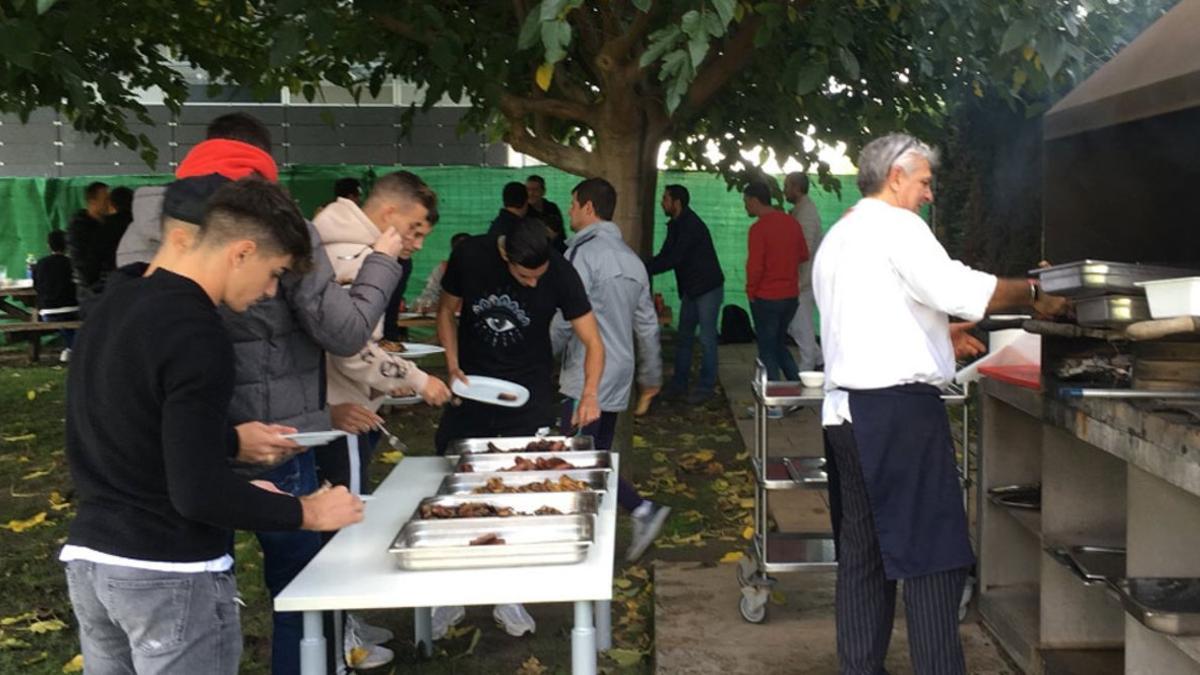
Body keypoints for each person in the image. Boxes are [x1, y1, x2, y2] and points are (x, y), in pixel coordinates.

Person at [115, 112, 407, 674]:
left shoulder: (149, 226)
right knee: (300, 587)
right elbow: (344, 333)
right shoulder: (282, 222)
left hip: (182, 441)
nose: (266, 289)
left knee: (193, 585)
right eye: (271, 275)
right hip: (278, 434)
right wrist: (382, 266)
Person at [60, 177, 365, 675]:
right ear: (243, 252)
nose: (270, 292)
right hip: (168, 573)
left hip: (94, 562)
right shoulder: (198, 330)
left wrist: (230, 440)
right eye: (275, 274)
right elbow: (198, 495)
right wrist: (303, 511)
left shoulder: (117, 298)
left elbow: (128, 422)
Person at [813, 133, 1069, 675]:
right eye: (925, 181)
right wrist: (1032, 289)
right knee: (934, 561)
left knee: (865, 558)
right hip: (896, 415)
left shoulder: (841, 236)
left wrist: (934, 337)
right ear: (897, 175)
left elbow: (867, 319)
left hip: (846, 417)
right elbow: (957, 288)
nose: (930, 194)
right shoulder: (897, 226)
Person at [434, 217, 604, 637]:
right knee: (459, 489)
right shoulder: (470, 254)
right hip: (474, 390)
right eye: (525, 276)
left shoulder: (560, 270)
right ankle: (450, 593)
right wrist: (452, 365)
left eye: (539, 277)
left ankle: (508, 593)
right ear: (505, 254)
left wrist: (590, 394)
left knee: (518, 495)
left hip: (528, 395)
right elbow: (445, 311)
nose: (532, 285)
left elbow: (594, 342)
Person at [552, 178, 671, 561]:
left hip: (584, 374)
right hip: (620, 375)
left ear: (588, 208)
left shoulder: (581, 256)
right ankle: (608, 527)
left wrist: (541, 356)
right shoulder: (633, 261)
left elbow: (565, 317)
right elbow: (648, 327)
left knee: (570, 458)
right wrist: (650, 378)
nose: (569, 211)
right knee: (594, 456)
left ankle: (636, 510)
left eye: (572, 205)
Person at [315, 171, 452, 494]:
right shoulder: (354, 258)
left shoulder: (343, 247)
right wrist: (418, 379)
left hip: (335, 405)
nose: (417, 245)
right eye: (413, 231)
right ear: (389, 213)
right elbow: (350, 346)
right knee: (346, 514)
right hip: (341, 410)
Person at [648, 185, 725, 404]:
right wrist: (643, 266)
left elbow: (674, 258)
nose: (662, 203)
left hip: (707, 289)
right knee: (684, 337)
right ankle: (679, 384)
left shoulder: (690, 226)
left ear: (677, 202)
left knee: (707, 339)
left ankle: (706, 386)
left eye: (665, 199)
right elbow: (665, 255)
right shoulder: (676, 225)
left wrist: (643, 268)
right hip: (692, 289)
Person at [743, 181, 808, 408]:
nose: (745, 207)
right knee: (779, 344)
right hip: (790, 296)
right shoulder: (791, 223)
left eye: (745, 202)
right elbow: (803, 254)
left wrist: (751, 292)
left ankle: (774, 403)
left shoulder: (758, 229)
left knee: (767, 349)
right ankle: (796, 391)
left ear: (753, 200)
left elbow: (755, 267)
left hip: (766, 297)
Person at [784, 172, 823, 371]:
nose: (784, 191)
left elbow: (804, 249)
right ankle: (818, 359)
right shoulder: (801, 210)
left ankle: (808, 366)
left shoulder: (806, 212)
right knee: (796, 325)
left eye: (787, 186)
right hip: (802, 277)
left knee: (801, 326)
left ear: (797, 188)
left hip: (804, 278)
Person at [32, 229, 78, 362]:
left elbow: (36, 287)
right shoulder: (72, 263)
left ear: (48, 245)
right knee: (71, 317)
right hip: (72, 310)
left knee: (60, 318)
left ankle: (71, 348)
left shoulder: (40, 264)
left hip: (47, 312)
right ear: (67, 245)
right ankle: (72, 347)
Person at [66, 181, 111, 298]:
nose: (108, 204)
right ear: (92, 201)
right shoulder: (79, 228)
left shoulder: (108, 224)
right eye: (105, 200)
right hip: (91, 289)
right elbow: (81, 263)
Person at [412, 232, 470, 313]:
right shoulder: (443, 269)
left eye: (467, 250)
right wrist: (425, 305)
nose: (463, 254)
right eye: (458, 250)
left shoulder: (482, 269)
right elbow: (429, 295)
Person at [99, 186, 134, 279]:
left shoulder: (105, 225)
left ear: (112, 204)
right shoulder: (139, 222)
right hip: (137, 274)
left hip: (114, 276)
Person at [525, 174, 566, 252]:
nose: (531, 193)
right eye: (528, 190)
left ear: (543, 191)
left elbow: (561, 234)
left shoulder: (552, 208)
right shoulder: (524, 211)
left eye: (535, 190)